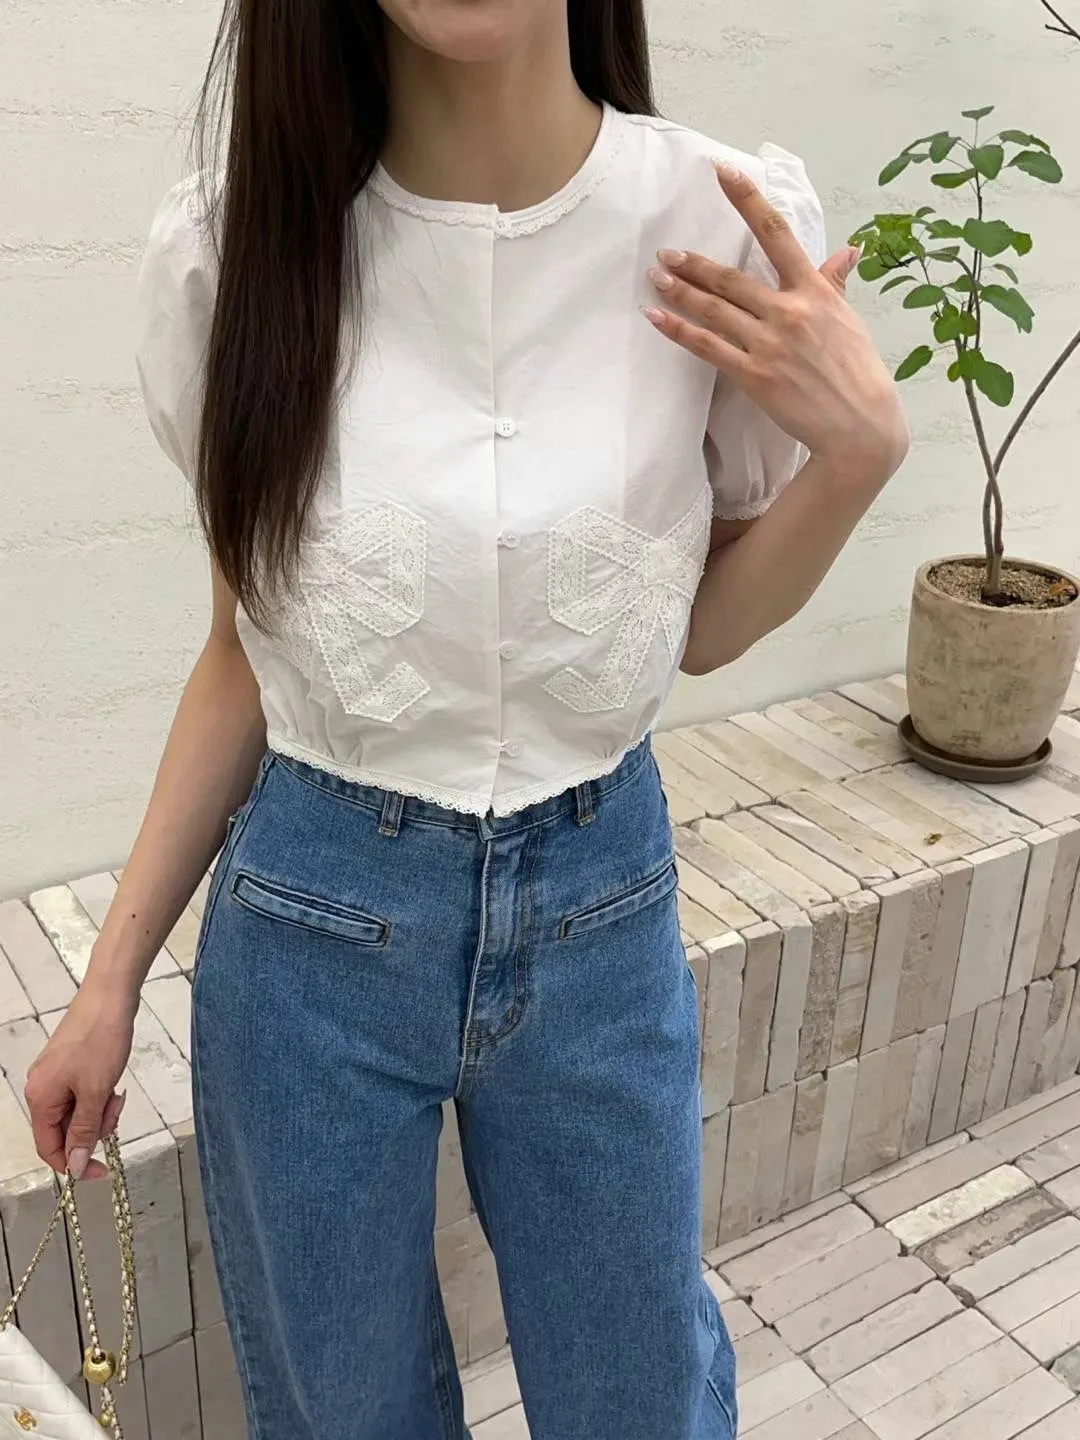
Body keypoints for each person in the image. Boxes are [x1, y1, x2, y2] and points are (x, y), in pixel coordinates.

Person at [25, 1, 907, 1436]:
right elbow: (242, 652)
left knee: (641, 1400)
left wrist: (858, 459)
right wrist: (108, 983)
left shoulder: (716, 224)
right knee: (343, 1411)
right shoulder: (237, 253)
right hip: (311, 928)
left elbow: (697, 628)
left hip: (599, 915)